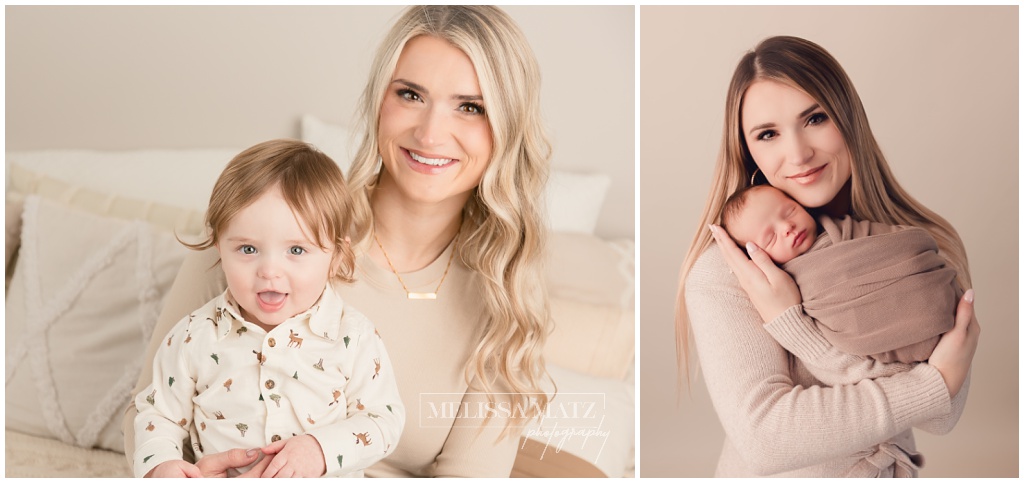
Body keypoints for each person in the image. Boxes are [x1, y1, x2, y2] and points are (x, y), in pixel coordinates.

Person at [123, 6, 552, 477]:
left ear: (507, 127)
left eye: (471, 107)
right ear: (378, 102)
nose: (430, 133)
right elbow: (150, 411)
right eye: (410, 94)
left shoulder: (503, 295)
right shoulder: (266, 228)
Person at [676, 35, 980, 477]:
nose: (798, 153)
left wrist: (795, 328)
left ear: (847, 118)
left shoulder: (919, 245)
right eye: (768, 134)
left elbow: (942, 415)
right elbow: (766, 438)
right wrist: (928, 385)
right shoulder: (726, 274)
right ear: (749, 151)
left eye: (815, 118)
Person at [133, 139, 404, 478]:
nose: (269, 270)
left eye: (297, 250)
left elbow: (384, 419)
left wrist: (320, 449)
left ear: (336, 257)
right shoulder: (194, 336)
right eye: (248, 249)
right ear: (220, 247)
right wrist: (161, 466)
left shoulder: (353, 336)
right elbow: (158, 413)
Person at [720, 184, 958, 366]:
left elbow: (905, 243)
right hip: (885, 340)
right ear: (757, 256)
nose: (787, 228)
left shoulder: (845, 228)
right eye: (771, 237)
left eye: (790, 211)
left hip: (936, 301)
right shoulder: (779, 284)